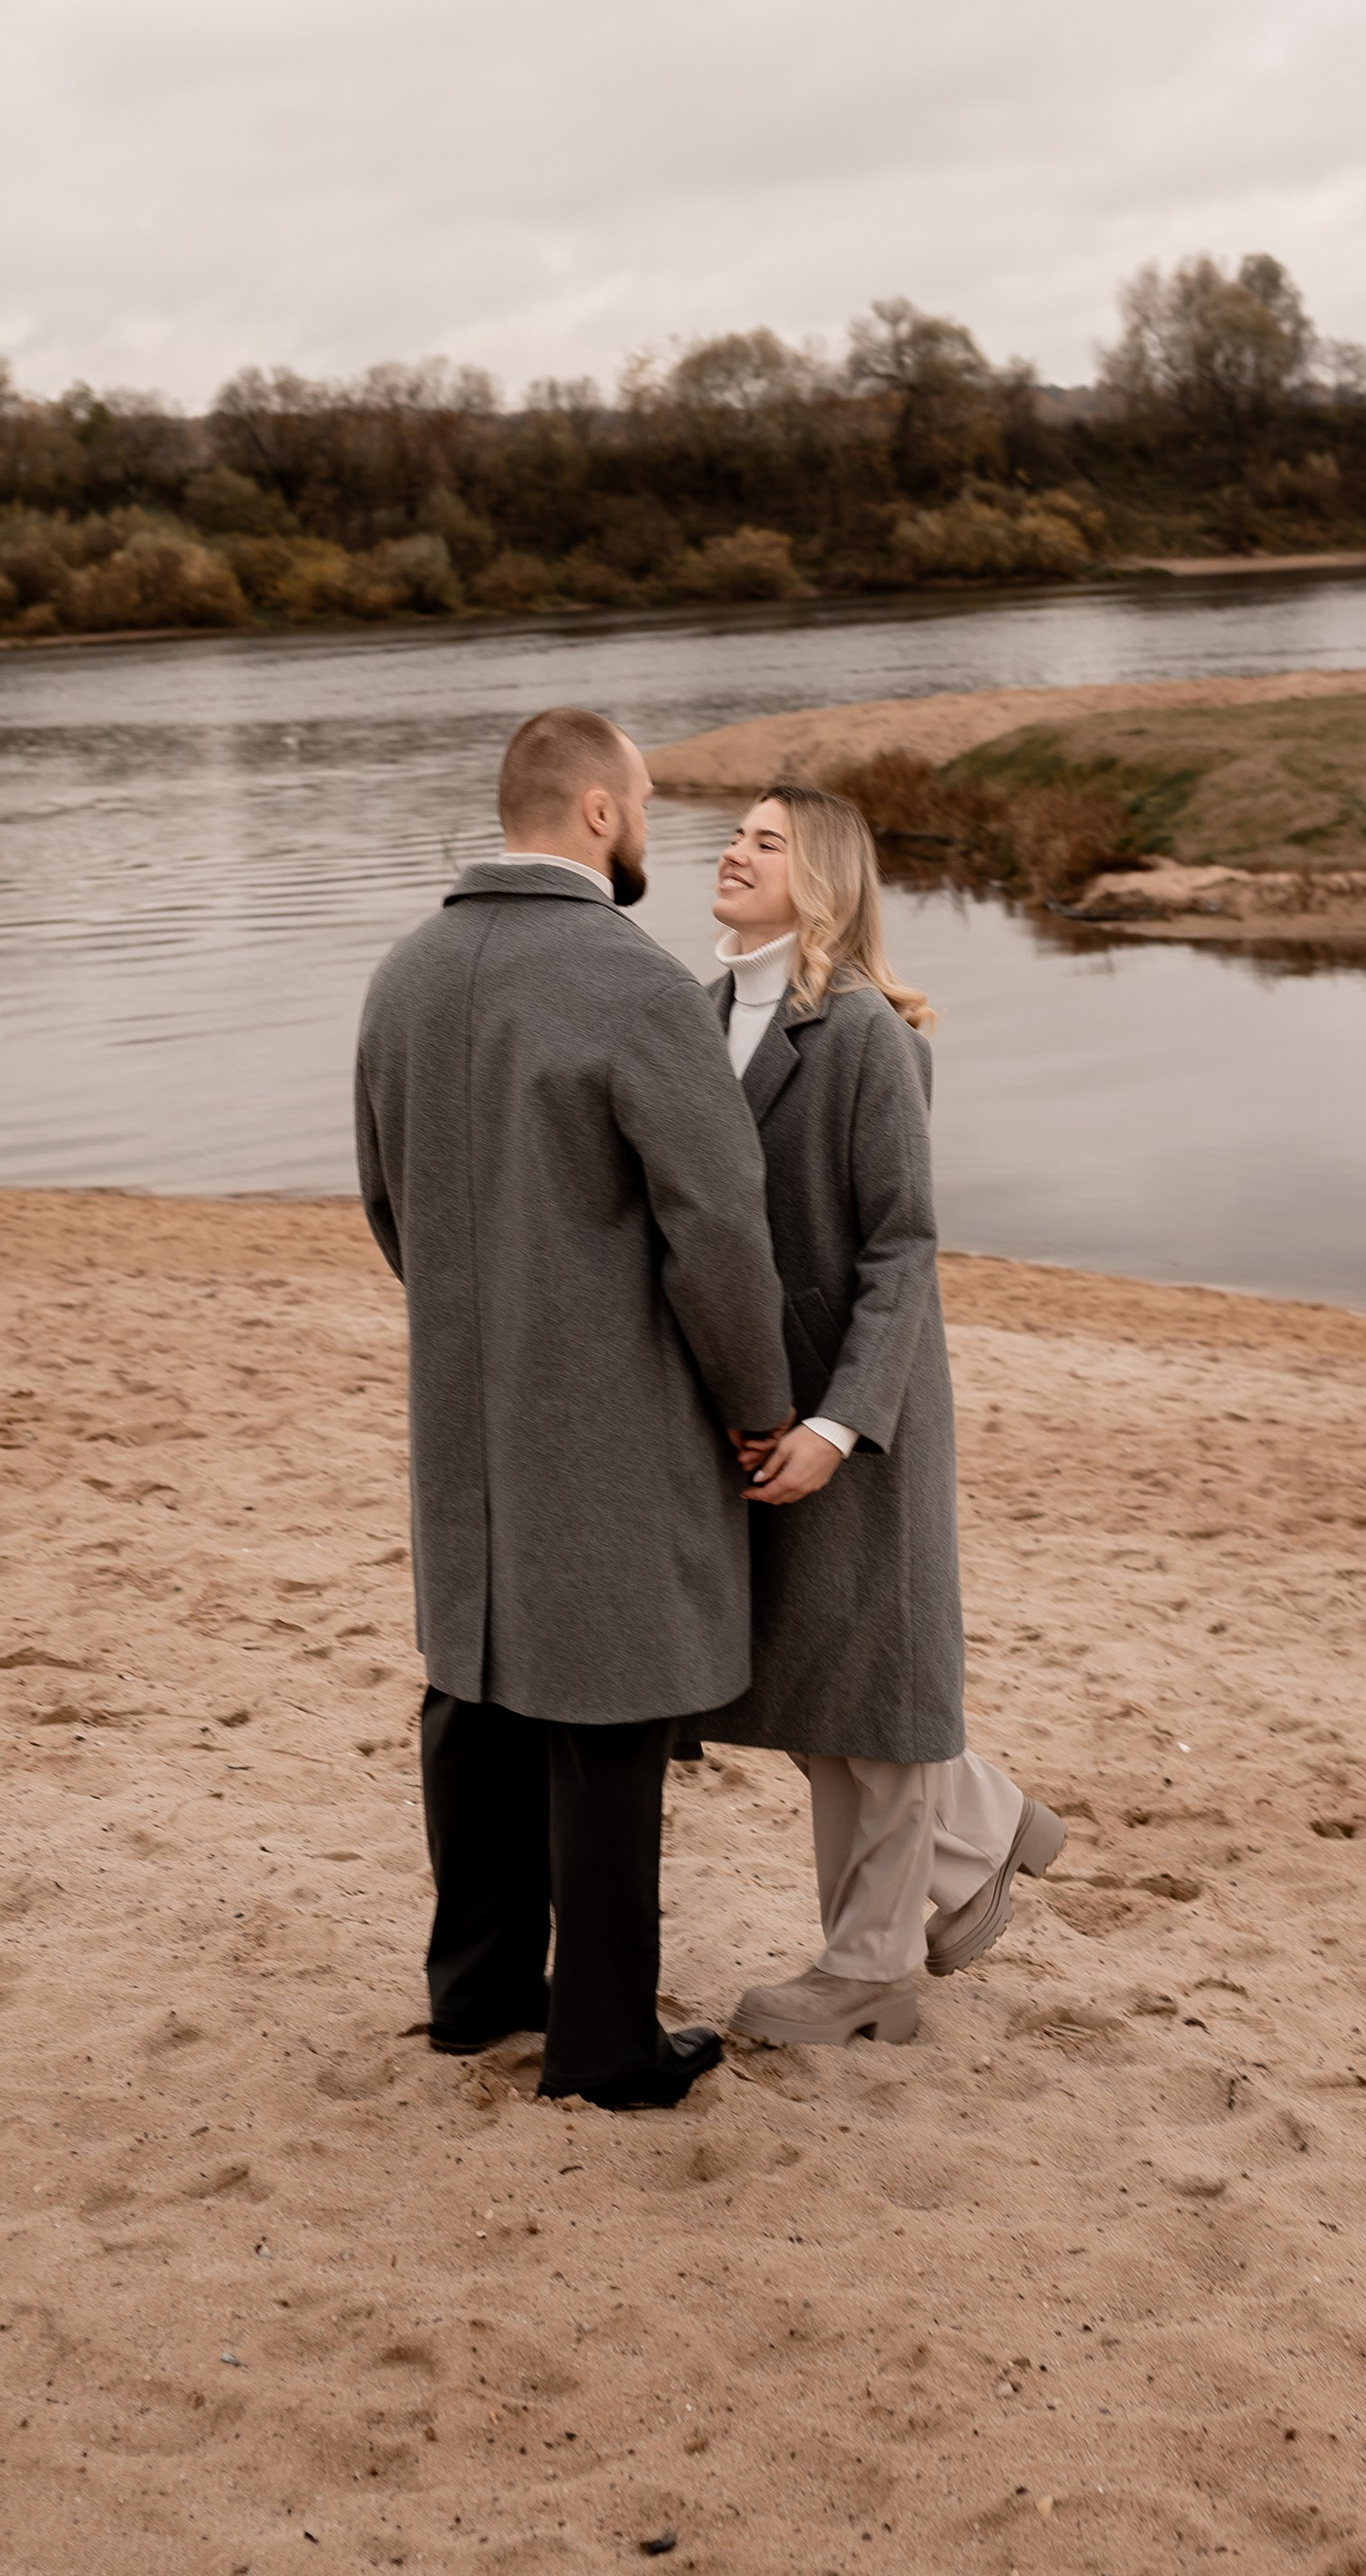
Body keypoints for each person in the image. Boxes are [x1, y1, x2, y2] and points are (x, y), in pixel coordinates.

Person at [354, 704, 794, 2110]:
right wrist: (759, 1401)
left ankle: (477, 1993)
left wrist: (478, 1326)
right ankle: (605, 2046)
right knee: (606, 1712)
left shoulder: (405, 976)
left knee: (473, 1690)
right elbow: (718, 1234)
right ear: (598, 811)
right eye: (645, 801)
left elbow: (386, 1202)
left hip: (463, 1412)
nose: (651, 825)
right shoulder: (637, 985)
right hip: (609, 1419)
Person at [702, 780, 1065, 2046]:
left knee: (870, 1685)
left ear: (822, 878)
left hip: (859, 1410)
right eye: (734, 834)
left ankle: (870, 1970)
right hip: (748, 1409)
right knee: (818, 1682)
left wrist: (839, 1423)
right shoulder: (695, 1017)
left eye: (766, 842)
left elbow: (903, 1247)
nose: (734, 852)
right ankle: (983, 1827)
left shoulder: (865, 1036)